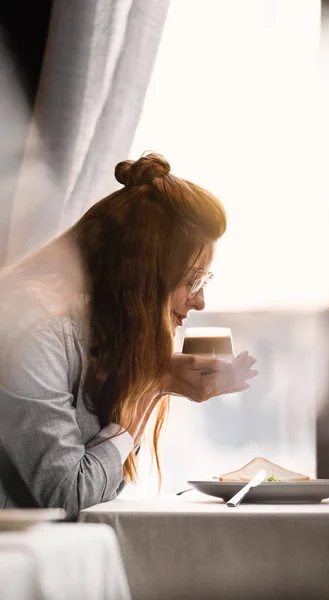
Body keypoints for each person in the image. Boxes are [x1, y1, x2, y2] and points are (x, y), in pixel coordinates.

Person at [0, 153, 257, 518]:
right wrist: (151, 385)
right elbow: (68, 494)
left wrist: (153, 380)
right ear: (142, 280)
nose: (200, 300)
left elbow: (102, 484)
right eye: (193, 280)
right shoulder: (36, 337)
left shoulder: (97, 340)